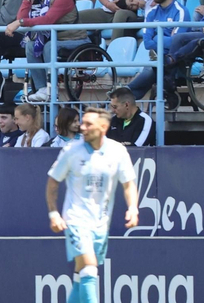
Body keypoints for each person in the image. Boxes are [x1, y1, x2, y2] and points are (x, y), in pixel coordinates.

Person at [45, 106, 140, 303]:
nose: (83, 127)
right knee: (89, 269)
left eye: (89, 124)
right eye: (82, 123)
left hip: (101, 223)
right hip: (76, 219)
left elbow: (129, 183)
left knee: (82, 276)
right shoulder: (71, 151)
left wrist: (133, 208)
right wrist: (54, 213)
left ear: (104, 127)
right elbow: (53, 182)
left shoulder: (117, 151)